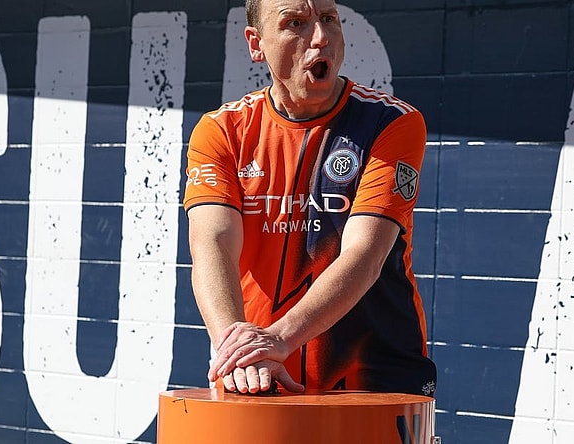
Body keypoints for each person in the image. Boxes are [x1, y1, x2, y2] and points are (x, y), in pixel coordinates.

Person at [183, 0, 436, 397]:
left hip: (372, 381)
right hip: (257, 377)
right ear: (257, 44)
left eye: (329, 20)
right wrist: (236, 351)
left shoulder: (392, 123)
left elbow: (364, 256)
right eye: (295, 23)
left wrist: (278, 340)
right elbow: (212, 245)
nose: (320, 38)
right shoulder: (222, 130)